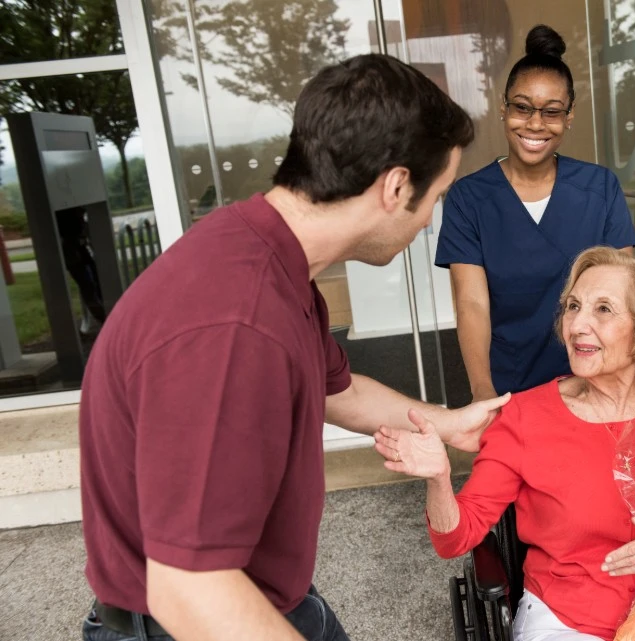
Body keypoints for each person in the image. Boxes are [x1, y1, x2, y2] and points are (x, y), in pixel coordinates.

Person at [78, 54, 510, 641]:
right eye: (437, 197)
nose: (431, 218)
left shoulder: (270, 258)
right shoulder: (235, 326)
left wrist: (451, 423)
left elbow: (342, 390)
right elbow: (189, 589)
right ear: (396, 186)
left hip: (272, 596)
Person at [375, 247, 635, 641]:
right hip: (567, 623)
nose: (577, 325)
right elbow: (455, 539)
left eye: (603, 309)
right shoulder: (526, 417)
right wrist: (438, 478)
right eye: (572, 307)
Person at [435, 25, 635, 403]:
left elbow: (626, 294)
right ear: (504, 107)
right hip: (511, 384)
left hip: (596, 380)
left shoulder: (600, 188)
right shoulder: (468, 198)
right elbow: (472, 305)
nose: (535, 124)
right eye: (522, 107)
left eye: (551, 112)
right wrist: (483, 391)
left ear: (569, 116)